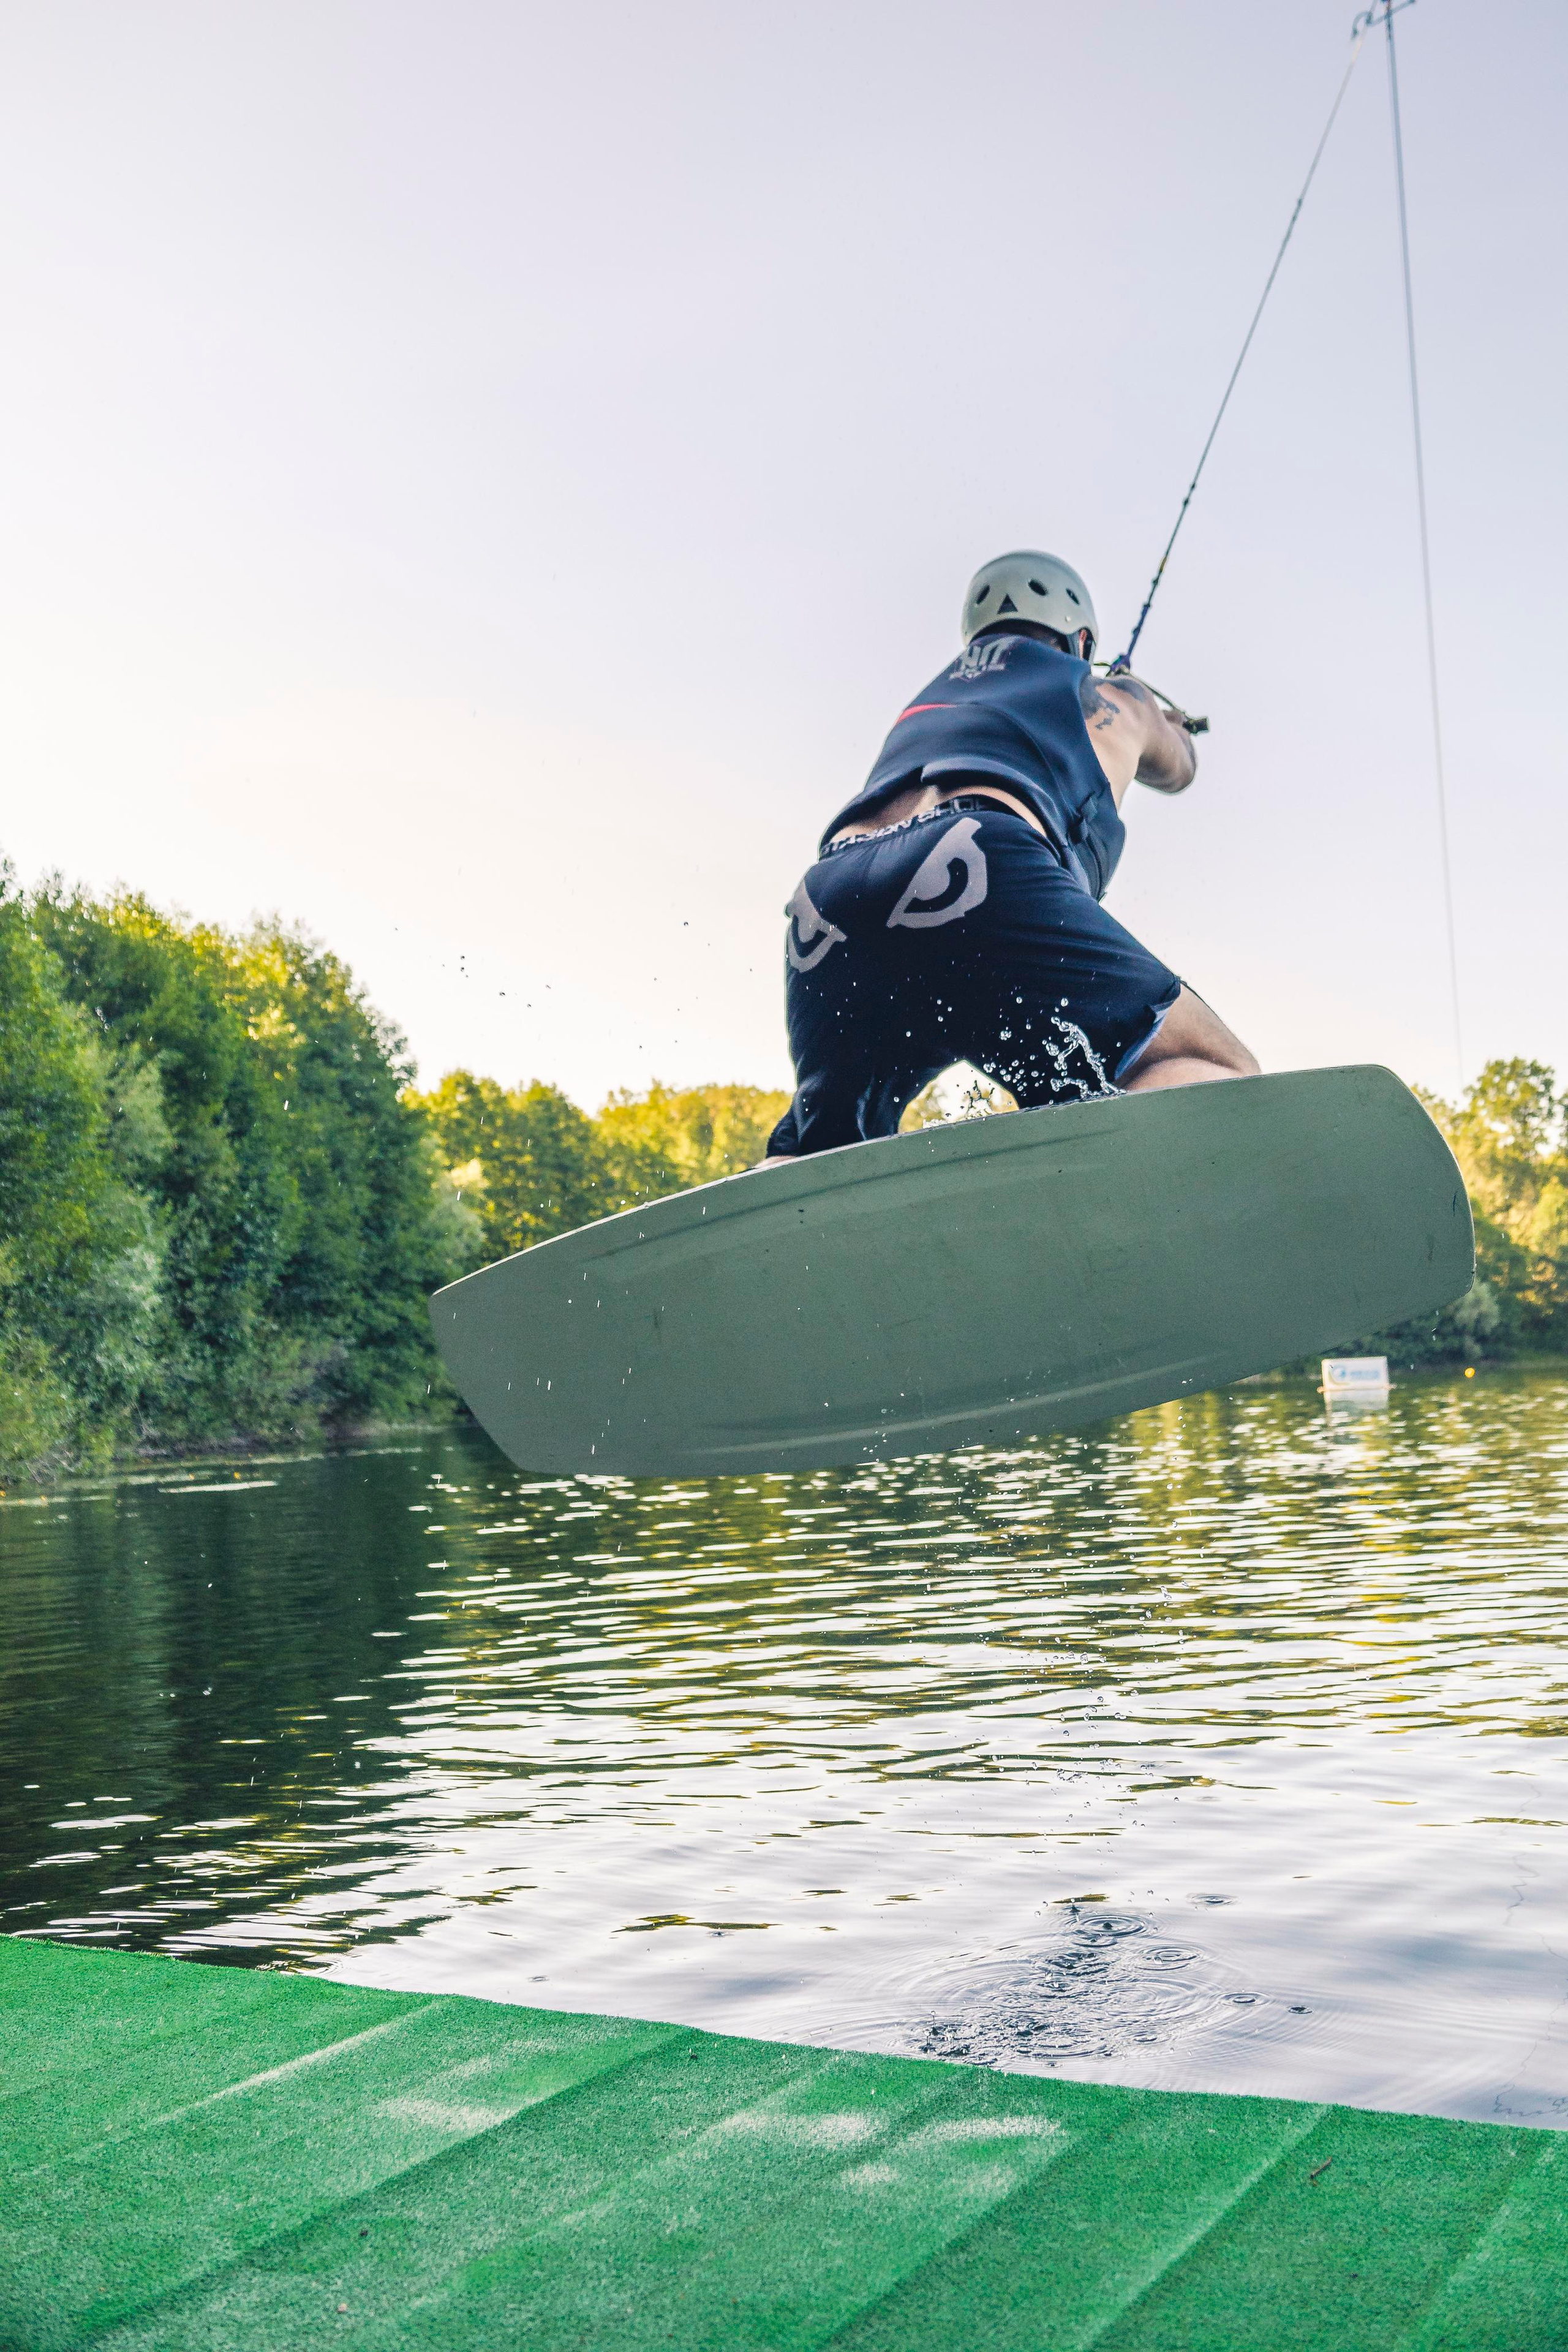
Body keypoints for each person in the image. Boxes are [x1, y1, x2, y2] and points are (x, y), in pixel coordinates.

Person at [763, 549, 1259, 1161]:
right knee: (1204, 1061)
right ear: (1079, 639)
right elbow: (1179, 767)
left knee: (820, 1156)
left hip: (831, 897)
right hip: (974, 867)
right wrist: (1163, 716)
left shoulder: (931, 698)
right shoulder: (1110, 693)